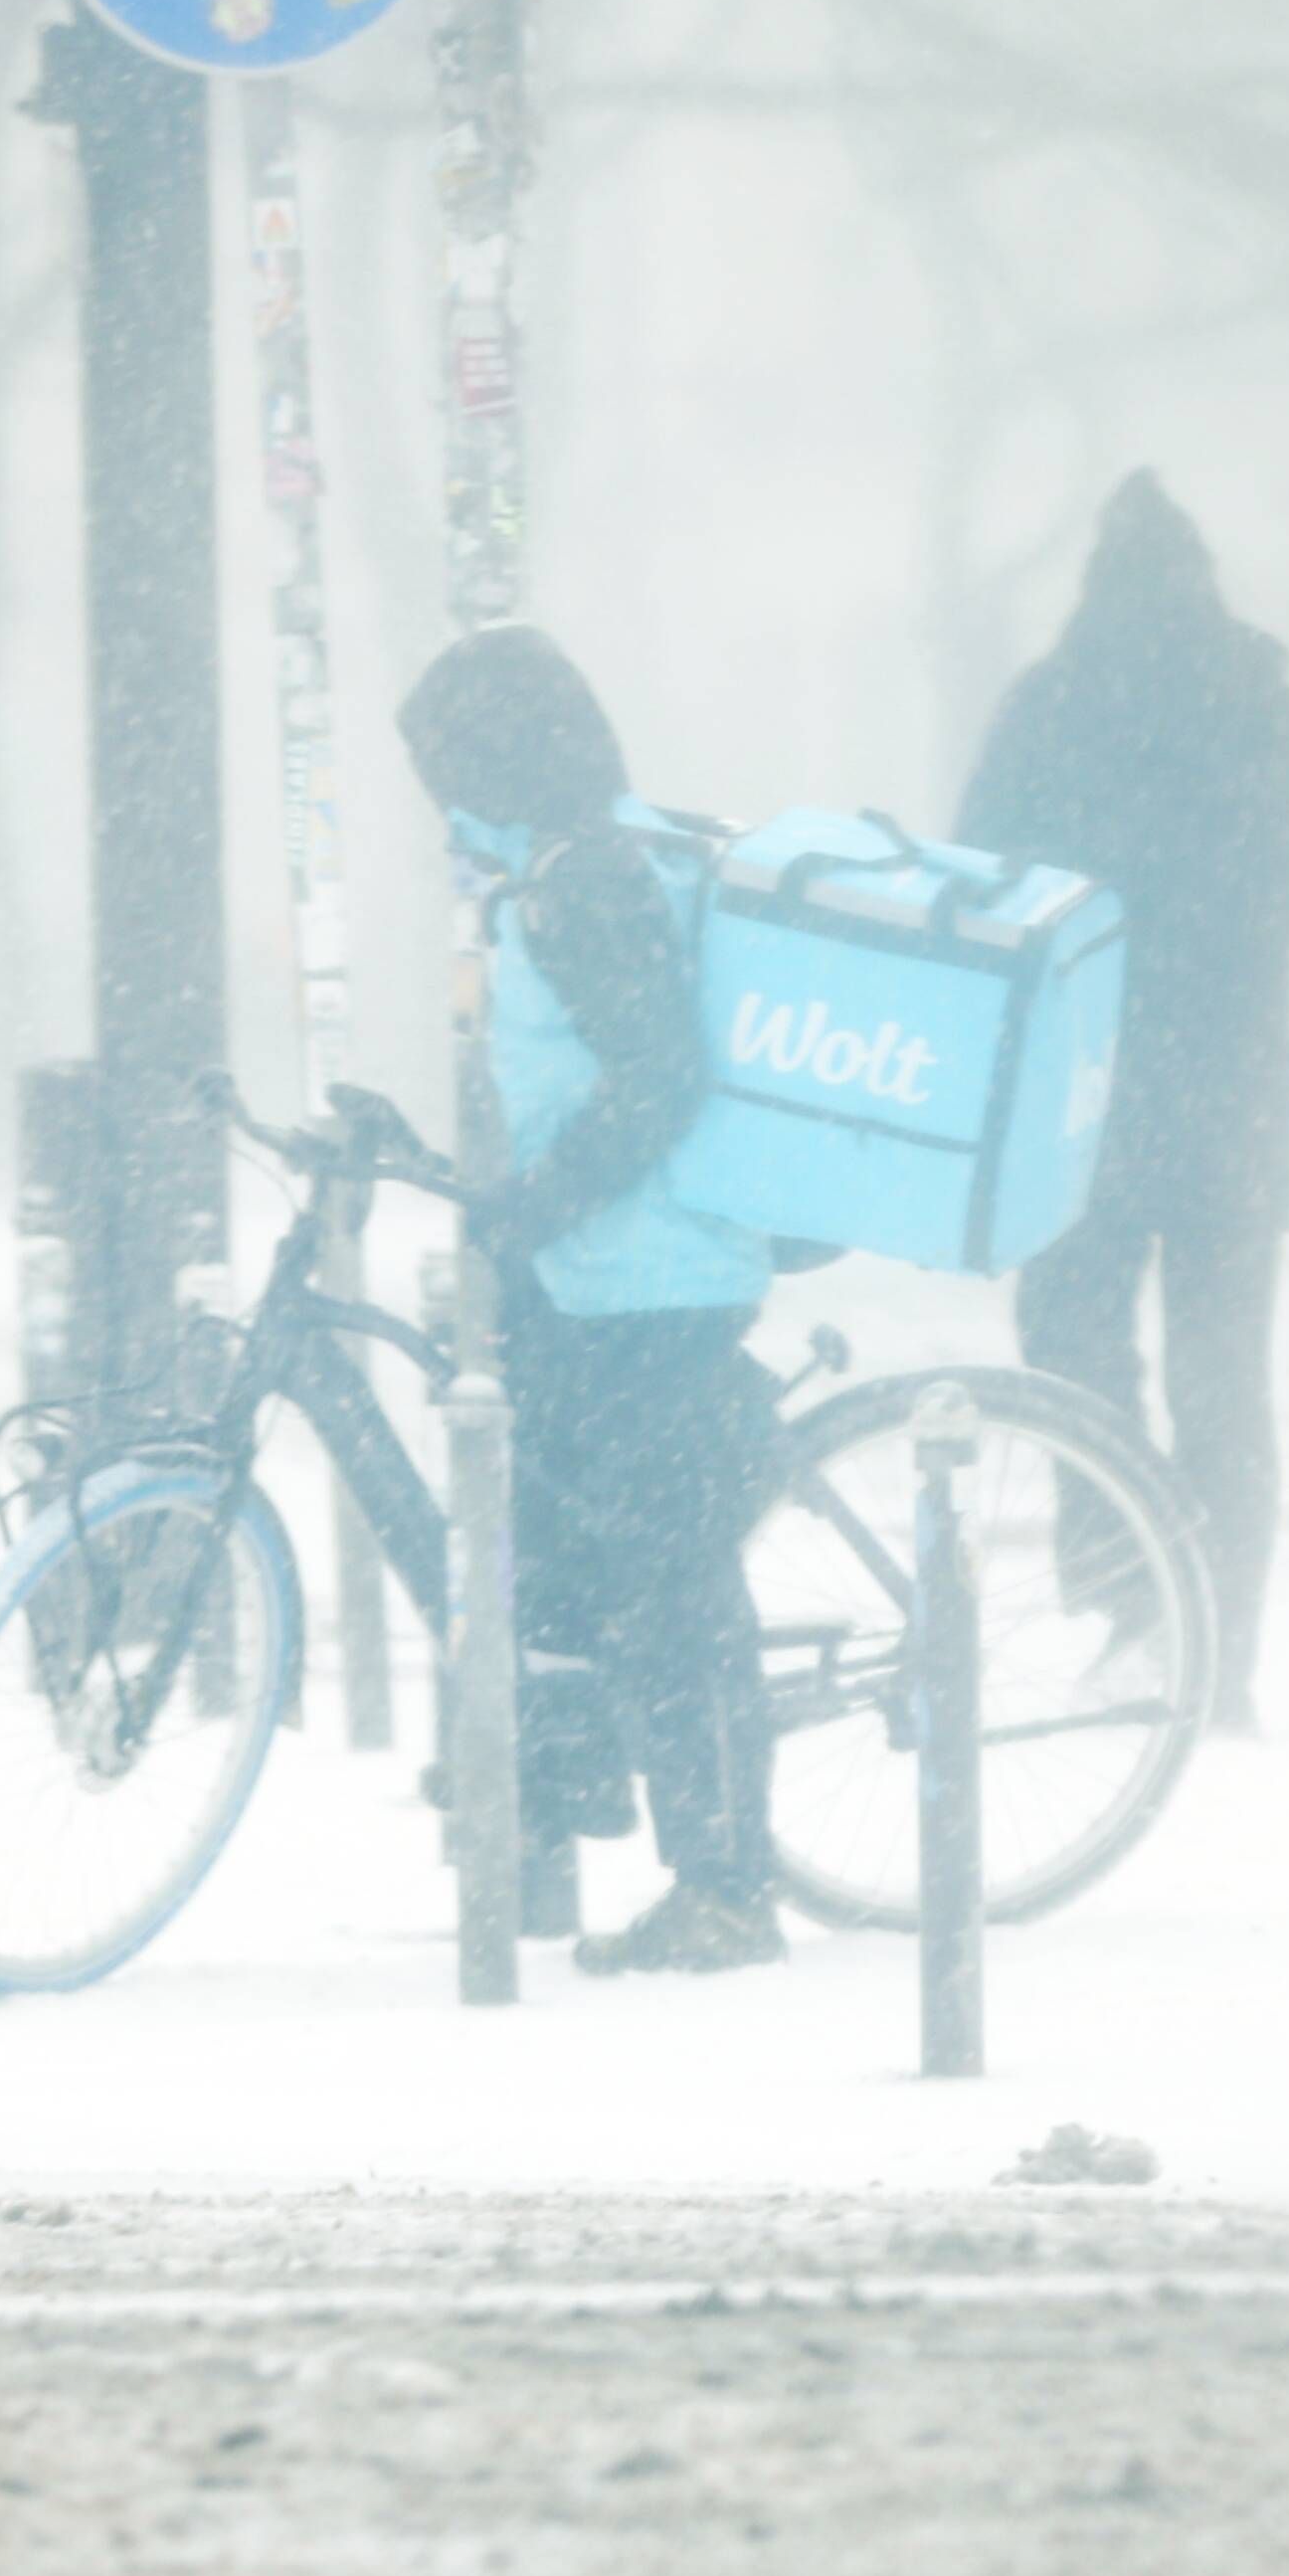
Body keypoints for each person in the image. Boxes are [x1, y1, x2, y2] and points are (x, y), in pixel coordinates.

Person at [394, 624, 786, 1978]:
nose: (439, 804)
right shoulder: (589, 856)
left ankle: (726, 1888)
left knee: (667, 1588)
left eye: (445, 770)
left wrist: (535, 1203)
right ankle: (560, 1794)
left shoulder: (584, 882)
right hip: (601, 1277)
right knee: (563, 1555)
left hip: (652, 1278)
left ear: (494, 757)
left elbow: (654, 1075)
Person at [960, 473, 1289, 1731]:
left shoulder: (1049, 709)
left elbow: (982, 880)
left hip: (1085, 1099)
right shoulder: (1265, 710)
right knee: (1227, 1376)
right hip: (1234, 1097)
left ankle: (1131, 1601)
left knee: (1078, 1359)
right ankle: (1220, 1650)